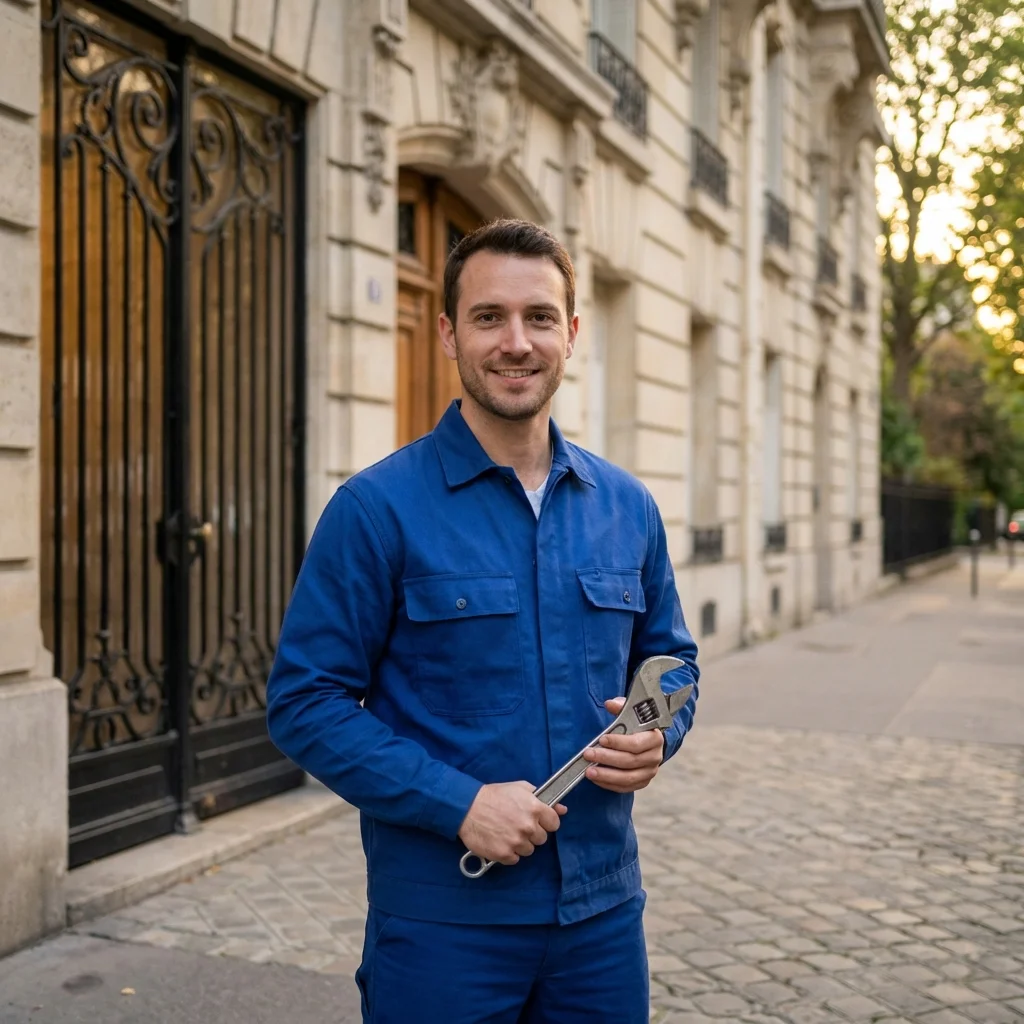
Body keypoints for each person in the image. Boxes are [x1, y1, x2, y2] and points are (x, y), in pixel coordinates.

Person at [266, 219, 700, 1023]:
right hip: (444, 926)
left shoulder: (627, 507)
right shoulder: (376, 509)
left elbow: (673, 662)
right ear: (448, 333)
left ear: (571, 334)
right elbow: (303, 703)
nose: (516, 342)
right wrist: (457, 802)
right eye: (489, 317)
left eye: (540, 317)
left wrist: (658, 732)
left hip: (601, 918)